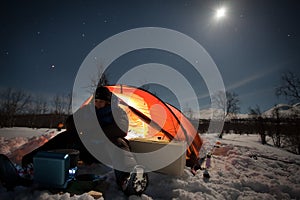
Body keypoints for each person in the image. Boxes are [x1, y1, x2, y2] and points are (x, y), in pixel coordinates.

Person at [85, 86, 148, 195]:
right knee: (68, 137)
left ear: (108, 102)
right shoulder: (88, 112)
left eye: (101, 101)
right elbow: (72, 122)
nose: (98, 104)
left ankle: (128, 177)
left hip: (108, 149)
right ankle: (47, 156)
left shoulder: (117, 112)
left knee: (118, 143)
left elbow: (121, 128)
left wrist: (98, 133)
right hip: (90, 149)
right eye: (96, 101)